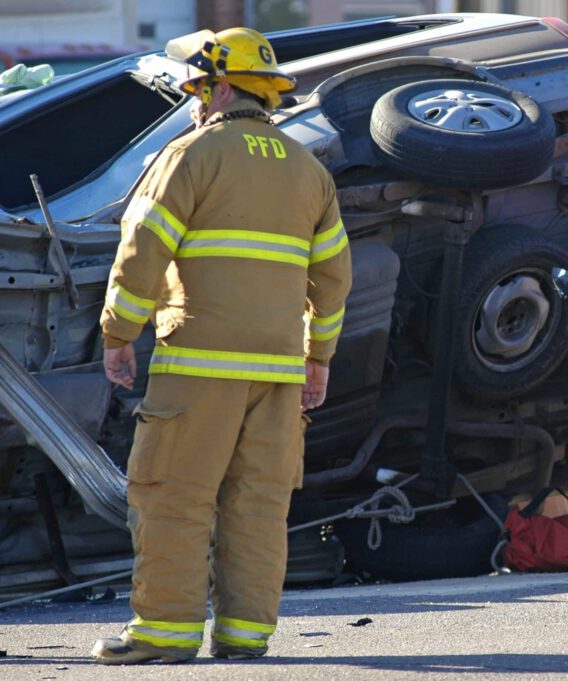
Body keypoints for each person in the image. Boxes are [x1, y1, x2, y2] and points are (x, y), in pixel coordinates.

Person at [91, 27, 352, 665]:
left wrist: (118, 336)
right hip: (278, 373)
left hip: (198, 365)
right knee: (257, 502)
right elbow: (336, 276)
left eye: (199, 90)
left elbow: (141, 250)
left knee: (173, 493)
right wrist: (318, 358)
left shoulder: (190, 155)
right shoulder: (308, 168)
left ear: (225, 86)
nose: (196, 103)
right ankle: (244, 634)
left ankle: (165, 634)